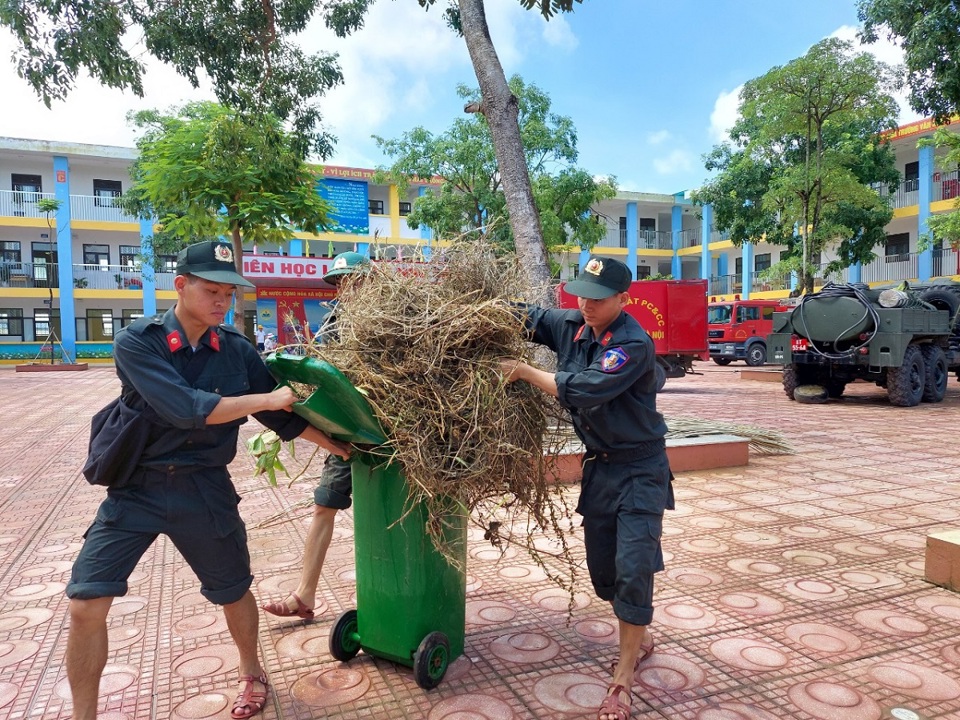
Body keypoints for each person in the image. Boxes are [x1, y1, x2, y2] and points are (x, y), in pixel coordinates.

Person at [64, 240, 352, 720]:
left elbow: (283, 418)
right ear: (181, 285)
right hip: (137, 488)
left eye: (229, 293)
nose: (222, 301)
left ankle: (252, 672)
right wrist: (266, 400)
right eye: (212, 290)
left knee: (233, 590)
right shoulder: (140, 341)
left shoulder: (235, 350)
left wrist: (338, 445)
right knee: (86, 603)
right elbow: (187, 409)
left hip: (204, 488)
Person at [499, 255, 673, 720]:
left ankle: (622, 681)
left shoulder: (634, 344)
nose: (586, 303)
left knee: (634, 567)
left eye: (598, 298)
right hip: (600, 470)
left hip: (641, 469)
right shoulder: (572, 324)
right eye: (582, 293)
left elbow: (585, 388)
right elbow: (528, 317)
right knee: (606, 577)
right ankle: (639, 631)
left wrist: (523, 371)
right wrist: (478, 309)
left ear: (623, 298)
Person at [260, 250, 370, 621]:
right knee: (325, 504)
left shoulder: (396, 319)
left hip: (397, 435)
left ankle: (404, 591)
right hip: (348, 431)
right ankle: (304, 595)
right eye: (340, 282)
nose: (345, 288)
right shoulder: (332, 326)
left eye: (352, 280)